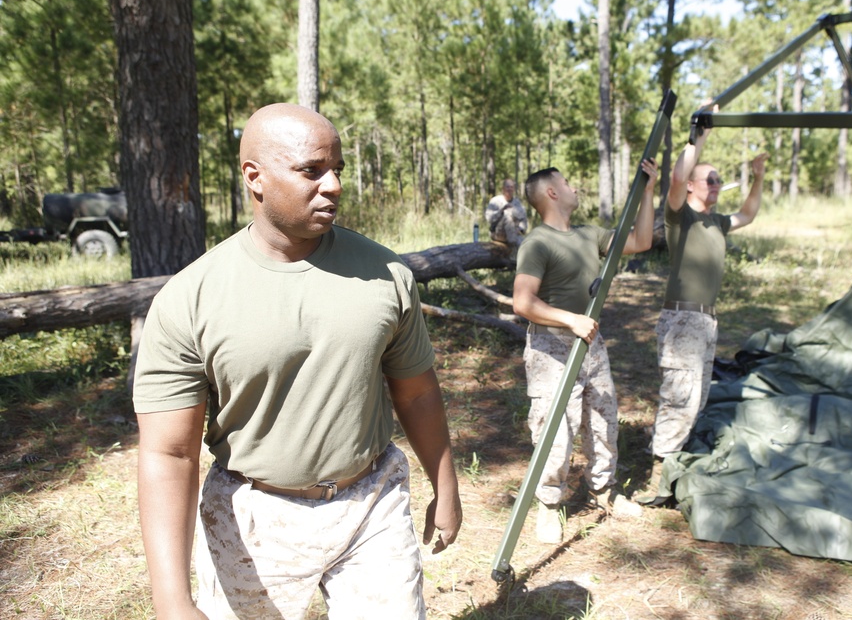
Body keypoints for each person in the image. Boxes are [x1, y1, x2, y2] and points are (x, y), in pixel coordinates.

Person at [132, 103, 462, 619]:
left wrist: (445, 486)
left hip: (373, 500)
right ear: (254, 177)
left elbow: (416, 392)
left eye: (337, 170)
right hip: (255, 515)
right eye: (311, 171)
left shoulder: (385, 274)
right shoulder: (191, 298)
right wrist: (171, 600)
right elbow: (168, 455)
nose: (332, 185)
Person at [512, 160, 658, 543]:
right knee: (554, 432)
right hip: (551, 346)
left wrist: (648, 190)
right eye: (567, 182)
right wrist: (570, 319)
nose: (576, 187)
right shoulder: (537, 242)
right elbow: (523, 302)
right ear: (552, 192)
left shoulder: (589, 234)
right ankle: (548, 507)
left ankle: (603, 493)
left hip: (591, 344)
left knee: (603, 423)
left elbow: (641, 241)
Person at [649, 103, 769, 489]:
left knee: (698, 398)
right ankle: (658, 473)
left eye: (719, 180)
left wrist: (758, 177)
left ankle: (674, 460)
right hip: (682, 319)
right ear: (692, 187)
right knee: (679, 398)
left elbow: (748, 215)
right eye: (710, 179)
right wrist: (699, 137)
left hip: (706, 320)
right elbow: (675, 178)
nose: (717, 185)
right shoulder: (680, 216)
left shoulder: (717, 222)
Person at [484, 178, 528, 247]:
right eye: (507, 187)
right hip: (497, 232)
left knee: (525, 246)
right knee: (507, 214)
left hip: (514, 232)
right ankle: (512, 245)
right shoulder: (495, 201)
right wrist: (501, 211)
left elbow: (523, 220)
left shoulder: (517, 203)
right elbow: (489, 218)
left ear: (513, 189)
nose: (509, 189)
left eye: (511, 187)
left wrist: (520, 229)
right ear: (503, 188)